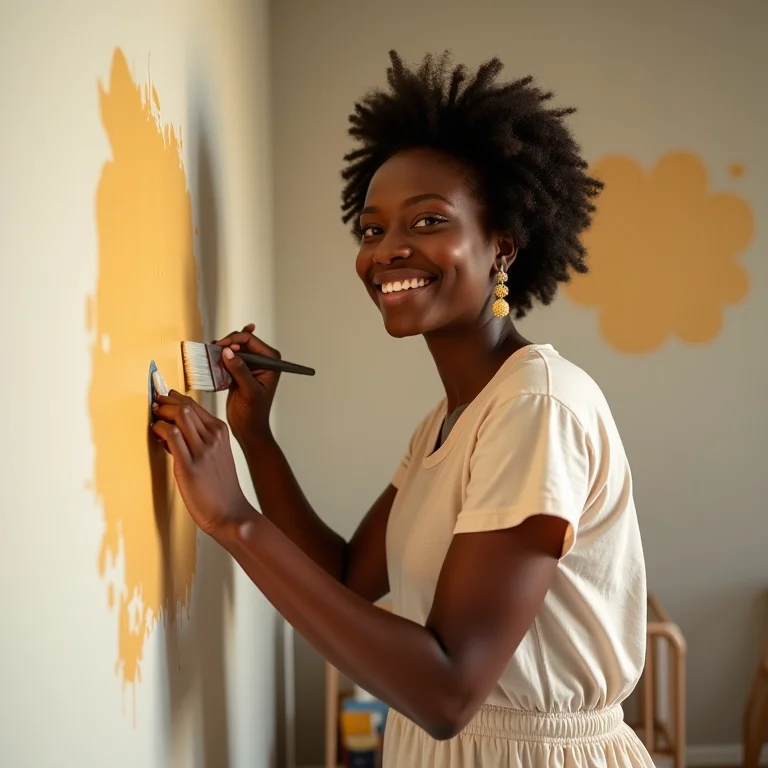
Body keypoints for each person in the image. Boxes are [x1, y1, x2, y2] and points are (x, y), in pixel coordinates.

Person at [151, 50, 654, 767]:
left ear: (501, 246)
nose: (388, 251)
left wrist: (235, 521)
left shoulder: (535, 407)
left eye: (427, 222)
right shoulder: (452, 419)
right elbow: (353, 575)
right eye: (372, 229)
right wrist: (255, 438)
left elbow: (447, 692)